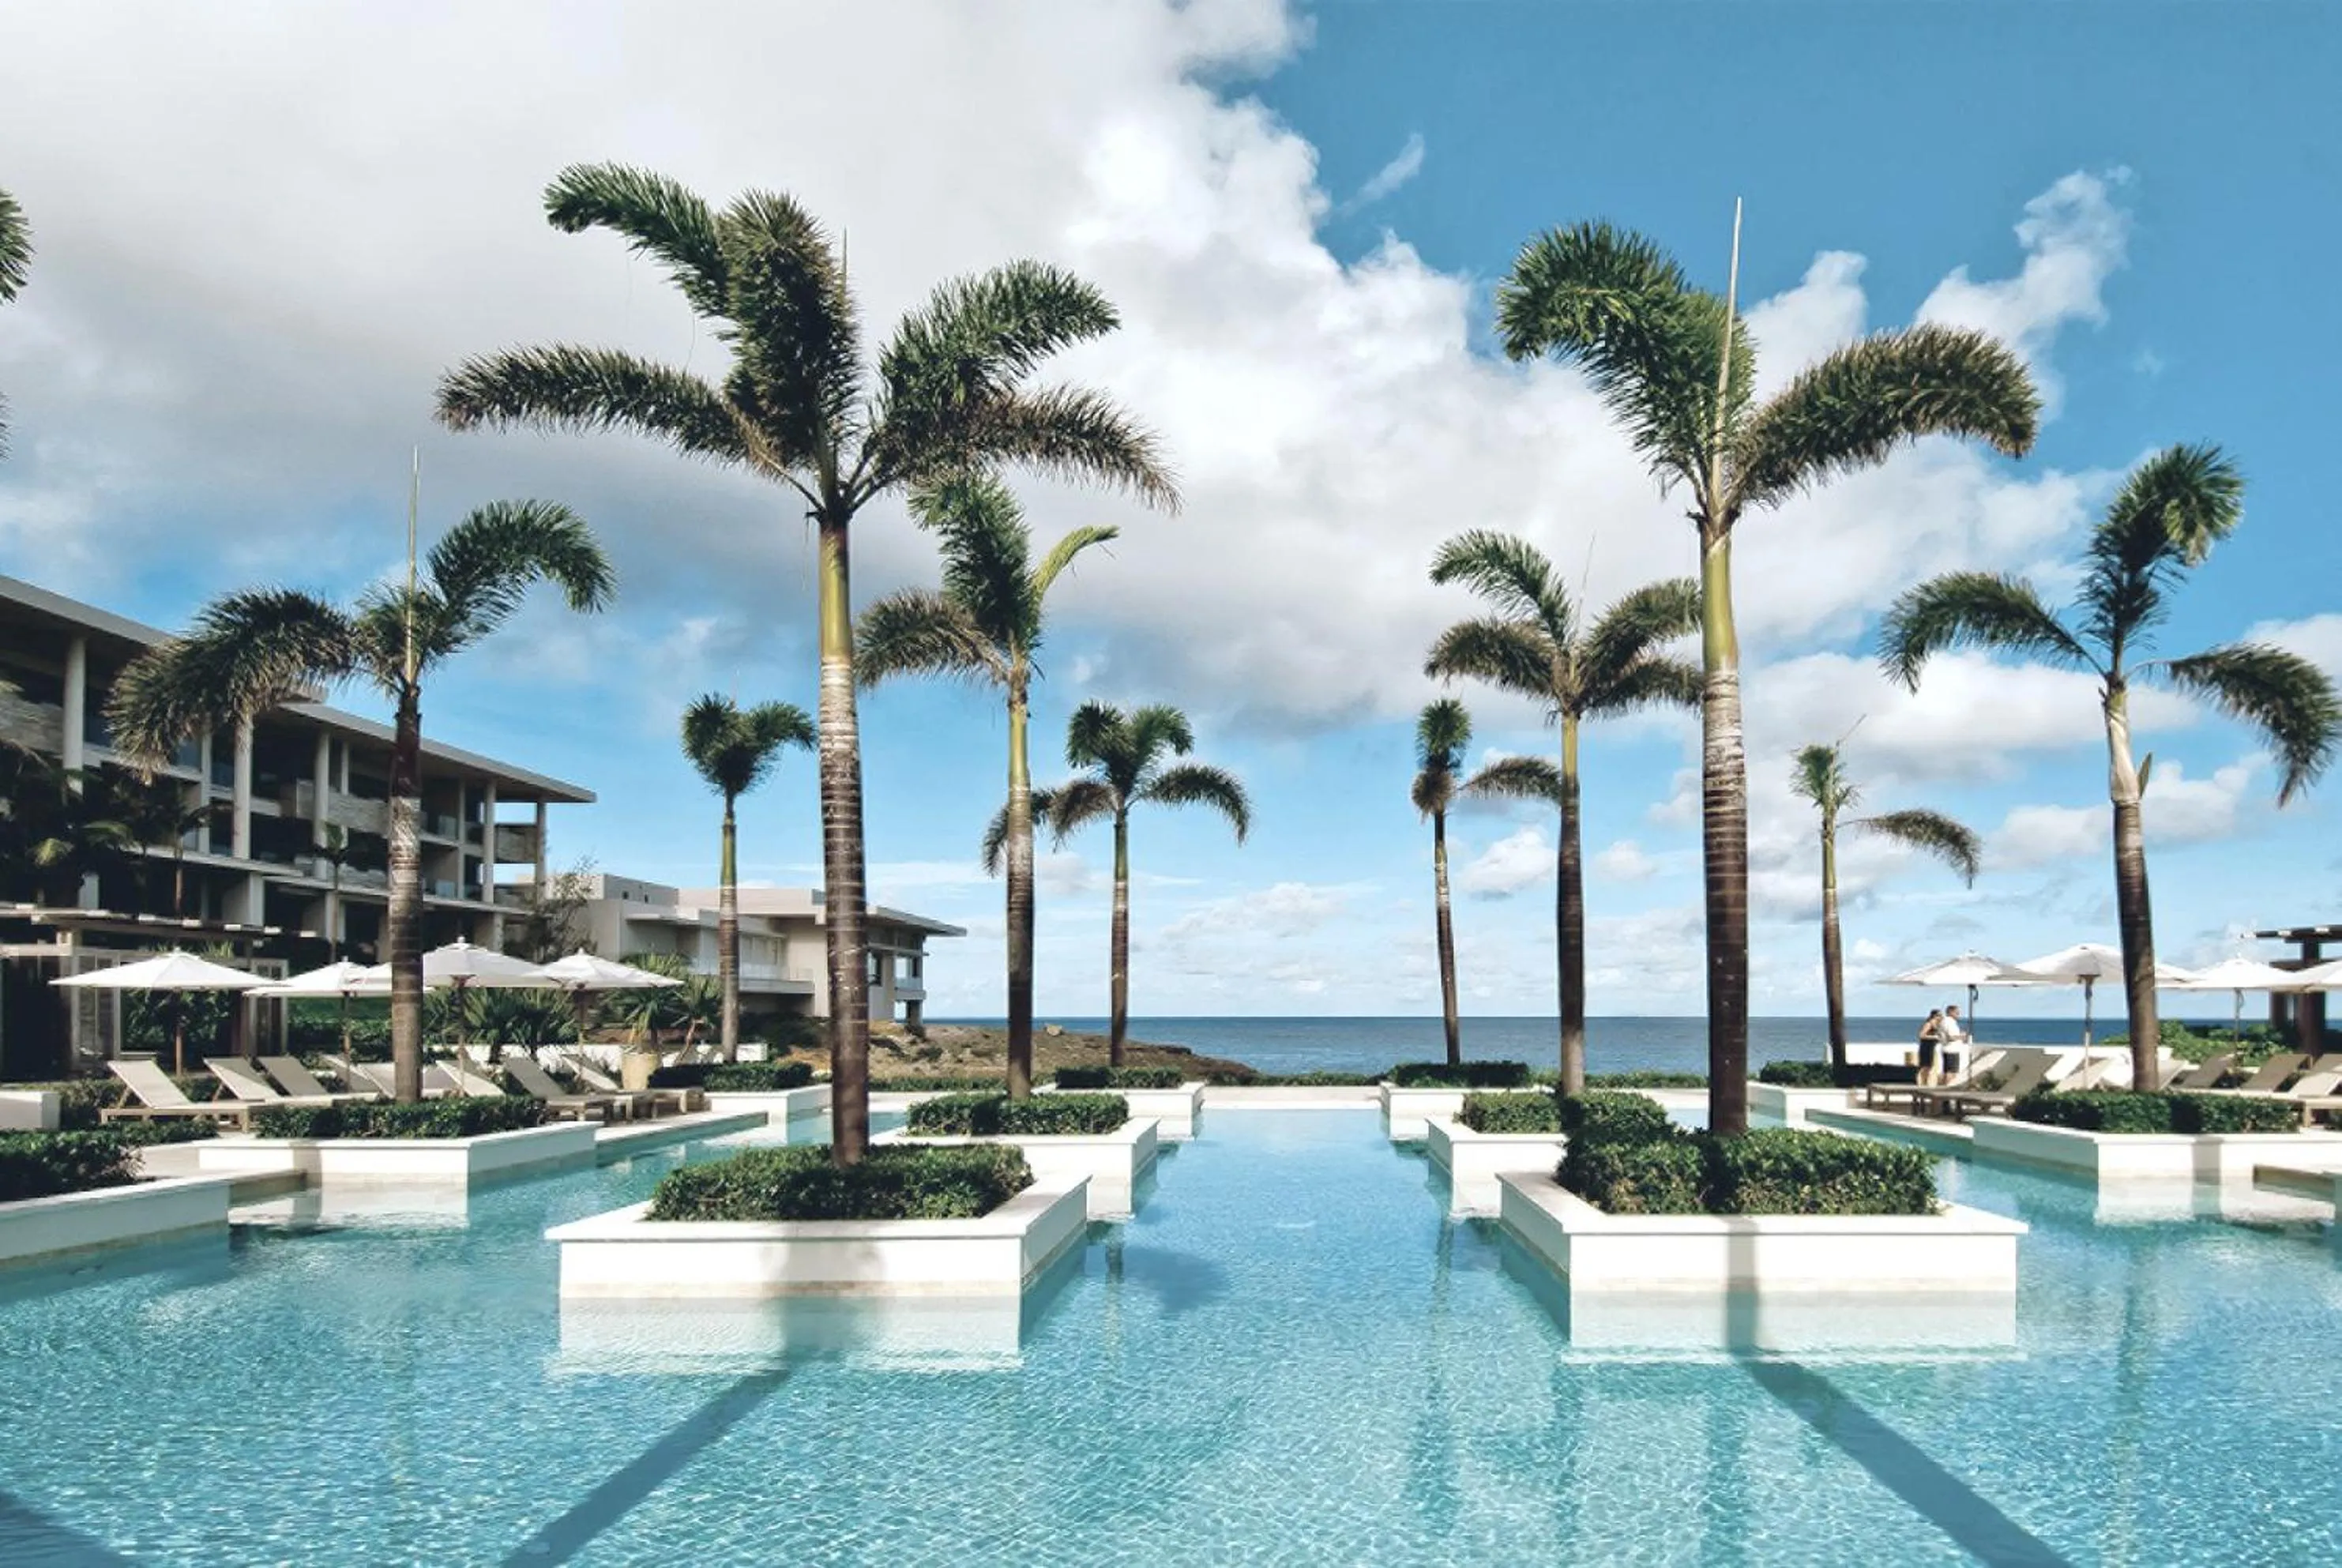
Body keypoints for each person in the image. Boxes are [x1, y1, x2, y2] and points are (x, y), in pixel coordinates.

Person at [1937, 1004, 1968, 1082]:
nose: (1959, 1015)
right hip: (1952, 1050)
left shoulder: (1944, 1021)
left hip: (1947, 1049)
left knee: (1947, 1071)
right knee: (1952, 1073)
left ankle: (1944, 1088)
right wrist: (1962, 1036)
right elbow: (1951, 1037)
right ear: (1951, 1012)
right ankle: (1947, 1089)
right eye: (1957, 1013)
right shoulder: (1949, 1022)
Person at [1915, 1008, 1944, 1084]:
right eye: (1939, 1015)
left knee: (1929, 1066)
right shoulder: (1929, 1024)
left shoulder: (1936, 1025)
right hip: (1926, 1046)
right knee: (1925, 1066)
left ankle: (1926, 1082)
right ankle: (1921, 1082)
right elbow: (1921, 1035)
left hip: (1932, 1047)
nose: (1941, 1017)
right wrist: (1934, 1037)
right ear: (1934, 1016)